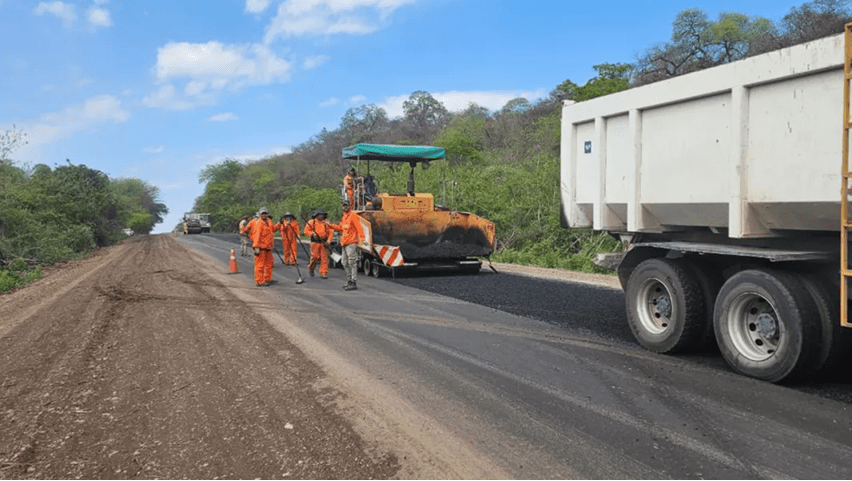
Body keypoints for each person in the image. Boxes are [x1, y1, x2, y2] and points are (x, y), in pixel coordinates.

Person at [329, 199, 365, 291]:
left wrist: (363, 238)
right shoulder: (344, 216)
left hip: (351, 243)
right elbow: (341, 227)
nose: (345, 207)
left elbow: (359, 227)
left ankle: (353, 281)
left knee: (352, 262)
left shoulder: (353, 216)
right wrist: (330, 225)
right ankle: (349, 280)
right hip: (344, 243)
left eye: (346, 205)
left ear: (349, 206)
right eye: (344, 205)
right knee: (344, 262)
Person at [241, 207, 280, 287]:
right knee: (260, 264)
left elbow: (273, 229)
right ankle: (259, 281)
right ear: (259, 214)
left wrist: (279, 224)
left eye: (265, 213)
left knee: (269, 264)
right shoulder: (258, 223)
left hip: (268, 247)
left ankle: (268, 278)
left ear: (268, 214)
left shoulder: (269, 222)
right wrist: (256, 247)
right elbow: (257, 236)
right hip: (260, 247)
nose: (264, 215)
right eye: (262, 214)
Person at [304, 207, 334, 279]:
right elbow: (306, 231)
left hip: (324, 243)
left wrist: (329, 241)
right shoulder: (312, 222)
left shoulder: (327, 223)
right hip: (315, 243)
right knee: (314, 257)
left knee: (324, 258)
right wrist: (312, 234)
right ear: (317, 215)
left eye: (323, 214)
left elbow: (331, 233)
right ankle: (311, 268)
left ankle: (324, 273)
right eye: (320, 214)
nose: (322, 216)